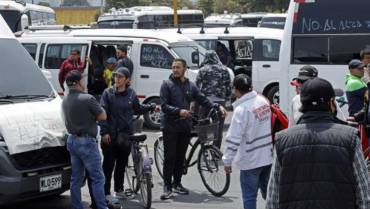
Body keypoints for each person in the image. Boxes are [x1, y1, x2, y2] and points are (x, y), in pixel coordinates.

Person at [266, 77, 370, 209]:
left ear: (302, 104)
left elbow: (273, 197)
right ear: (331, 103)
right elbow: (363, 192)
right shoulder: (350, 137)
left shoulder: (282, 139)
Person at [160, 58, 227, 200]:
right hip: (170, 126)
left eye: (178, 67)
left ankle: (177, 183)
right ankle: (167, 186)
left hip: (185, 126)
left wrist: (216, 106)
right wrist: (179, 111)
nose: (175, 70)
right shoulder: (166, 84)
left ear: (185, 69)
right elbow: (164, 106)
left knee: (180, 157)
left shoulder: (191, 86)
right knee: (170, 157)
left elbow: (203, 99)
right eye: (173, 67)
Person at [99, 67, 159, 199]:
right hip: (110, 135)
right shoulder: (107, 93)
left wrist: (151, 106)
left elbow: (137, 108)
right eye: (116, 76)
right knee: (108, 165)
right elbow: (101, 113)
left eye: (120, 77)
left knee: (121, 164)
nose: (117, 79)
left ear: (127, 80)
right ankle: (105, 193)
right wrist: (104, 132)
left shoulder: (131, 94)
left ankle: (119, 190)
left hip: (126, 136)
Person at [222, 74, 273, 209]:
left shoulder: (241, 110)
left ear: (236, 90)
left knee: (249, 198)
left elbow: (233, 139)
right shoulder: (264, 101)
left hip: (250, 161)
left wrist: (227, 161)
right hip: (267, 157)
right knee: (269, 194)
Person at [61, 70, 108, 209]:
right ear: (77, 82)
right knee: (97, 178)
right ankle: (101, 207)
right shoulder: (87, 98)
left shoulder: (65, 100)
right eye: (83, 80)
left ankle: (77, 206)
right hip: (86, 142)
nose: (84, 82)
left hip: (72, 140)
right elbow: (103, 116)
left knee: (76, 179)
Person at [195, 51, 232, 148]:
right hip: (221, 102)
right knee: (218, 126)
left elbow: (196, 87)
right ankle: (216, 150)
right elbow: (228, 86)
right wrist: (227, 98)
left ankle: (204, 149)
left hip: (205, 102)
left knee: (203, 125)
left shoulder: (203, 70)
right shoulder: (224, 69)